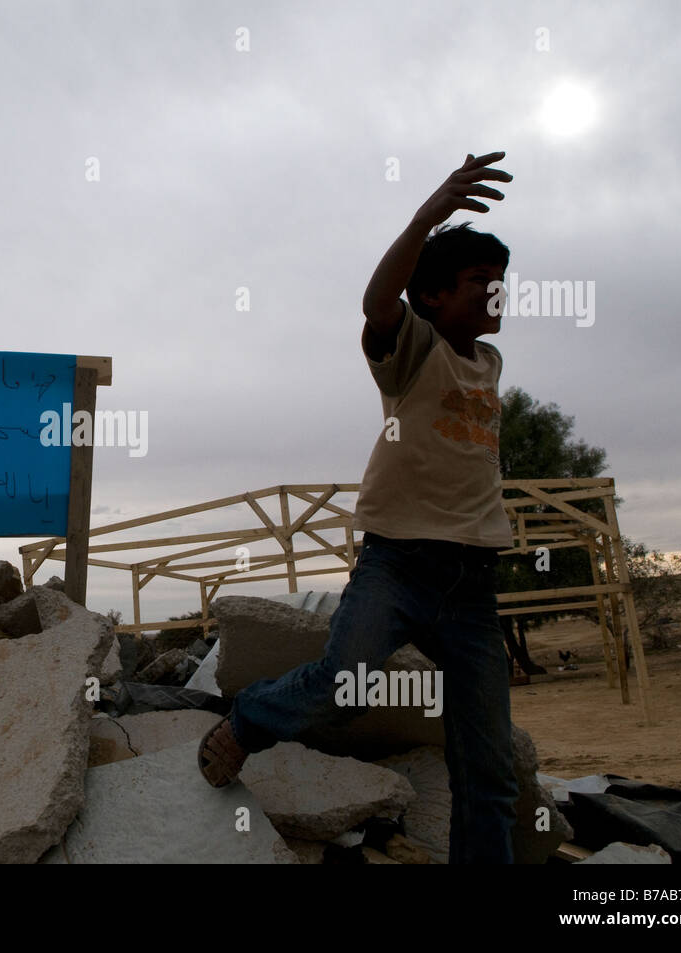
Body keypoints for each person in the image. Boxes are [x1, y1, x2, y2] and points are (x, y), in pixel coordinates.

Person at [197, 152, 521, 864]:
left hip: (472, 587)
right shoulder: (413, 348)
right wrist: (426, 217)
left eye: (502, 285)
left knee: (489, 770)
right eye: (478, 284)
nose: (496, 297)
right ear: (431, 296)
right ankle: (251, 718)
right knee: (343, 690)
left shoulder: (490, 363)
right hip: (398, 563)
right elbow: (378, 304)